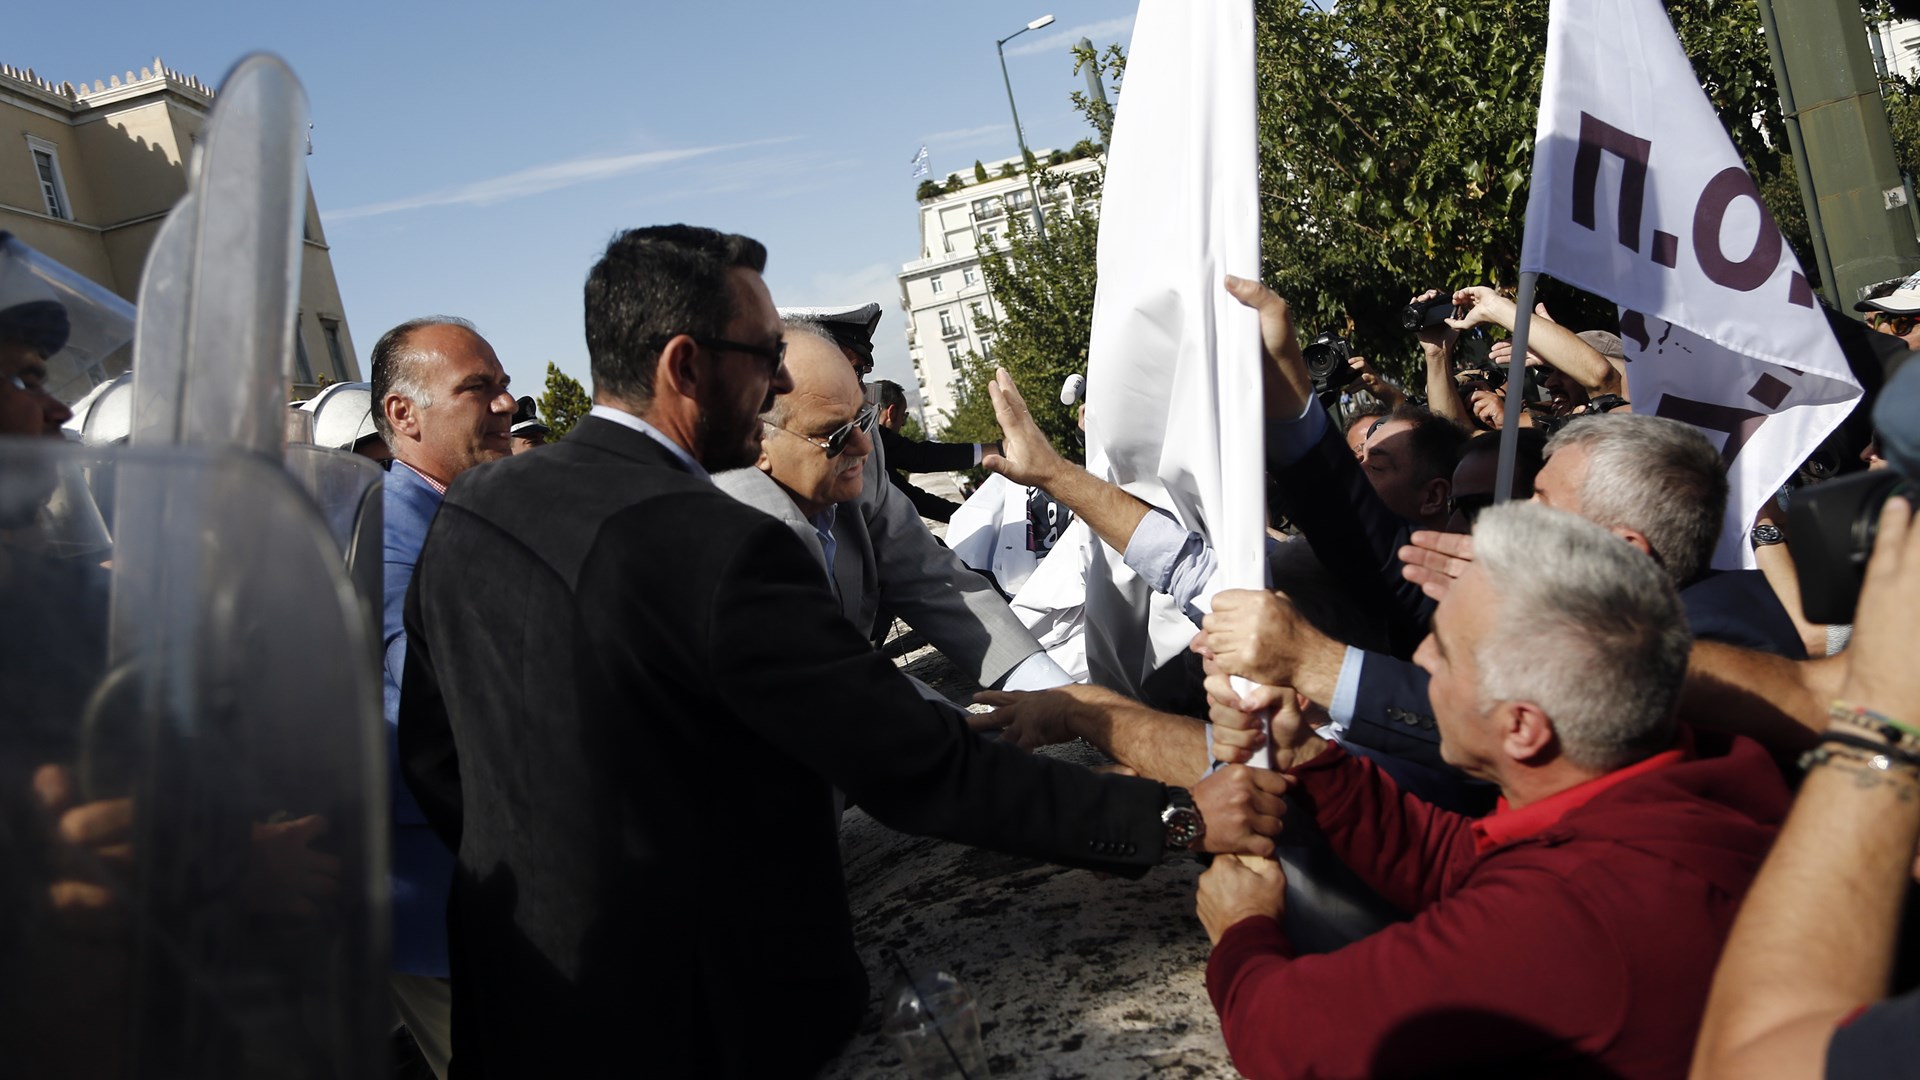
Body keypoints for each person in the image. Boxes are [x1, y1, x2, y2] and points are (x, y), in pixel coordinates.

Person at [395, 225, 1286, 1078]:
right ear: (684, 366)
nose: (778, 378)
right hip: (713, 1028)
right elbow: (915, 765)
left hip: (521, 1013)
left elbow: (437, 765)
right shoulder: (719, 545)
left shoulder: (476, 511)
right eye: (761, 357)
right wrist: (1173, 819)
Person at [1196, 502, 1787, 1078]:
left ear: (1522, 728)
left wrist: (1243, 931)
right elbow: (1462, 862)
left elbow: (1294, 1039)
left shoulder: (1571, 916)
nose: (1420, 656)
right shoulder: (1684, 779)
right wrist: (1310, 757)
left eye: (1446, 652)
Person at [714, 319, 1072, 693]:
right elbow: (833, 692)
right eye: (834, 435)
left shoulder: (858, 470)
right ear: (756, 444)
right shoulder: (739, 533)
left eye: (863, 418)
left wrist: (1059, 696)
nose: (864, 446)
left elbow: (936, 581)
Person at [373, 315, 516, 1079]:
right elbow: (431, 727)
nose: (505, 404)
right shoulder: (395, 544)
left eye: (502, 386)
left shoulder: (470, 512)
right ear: (404, 414)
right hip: (450, 898)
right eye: (477, 389)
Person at [869, 377, 962, 521]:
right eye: (903, 416)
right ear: (891, 413)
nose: (903, 424)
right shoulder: (874, 446)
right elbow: (919, 458)